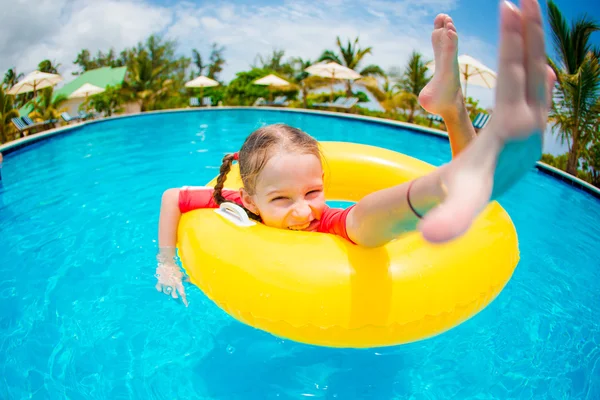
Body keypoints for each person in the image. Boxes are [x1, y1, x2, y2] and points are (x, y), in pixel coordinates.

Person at [156, 0, 556, 306]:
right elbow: (172, 197)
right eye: (280, 199)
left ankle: (452, 164)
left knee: (364, 223)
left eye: (313, 192)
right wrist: (166, 261)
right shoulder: (231, 202)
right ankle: (450, 110)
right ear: (250, 199)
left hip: (375, 219)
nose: (302, 211)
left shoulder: (321, 218)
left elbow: (363, 219)